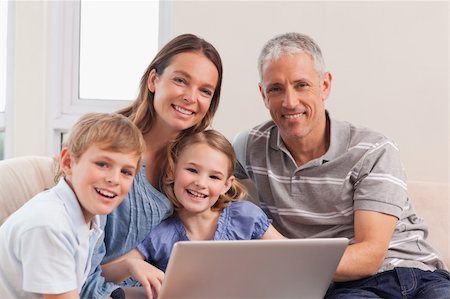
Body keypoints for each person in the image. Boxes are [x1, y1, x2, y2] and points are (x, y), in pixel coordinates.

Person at [232, 32, 450, 298]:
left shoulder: (372, 149)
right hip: (351, 288)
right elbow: (196, 175)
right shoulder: (250, 147)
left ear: (325, 86)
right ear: (263, 94)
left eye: (301, 85)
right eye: (276, 88)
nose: (290, 102)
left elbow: (369, 255)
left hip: (419, 274)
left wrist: (284, 260)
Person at [81, 33, 224, 298]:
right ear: (153, 80)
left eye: (205, 90)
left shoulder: (197, 162)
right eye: (181, 80)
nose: (191, 97)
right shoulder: (107, 149)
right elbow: (78, 259)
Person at [100, 130, 285, 299]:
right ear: (173, 171)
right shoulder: (161, 233)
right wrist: (131, 265)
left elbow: (290, 255)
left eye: (214, 177)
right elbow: (104, 272)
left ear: (226, 185)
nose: (201, 183)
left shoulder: (245, 216)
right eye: (192, 170)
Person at [0, 112, 146, 299]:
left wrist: (128, 266)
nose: (114, 179)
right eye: (102, 164)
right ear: (68, 162)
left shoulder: (88, 217)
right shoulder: (50, 225)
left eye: (126, 172)